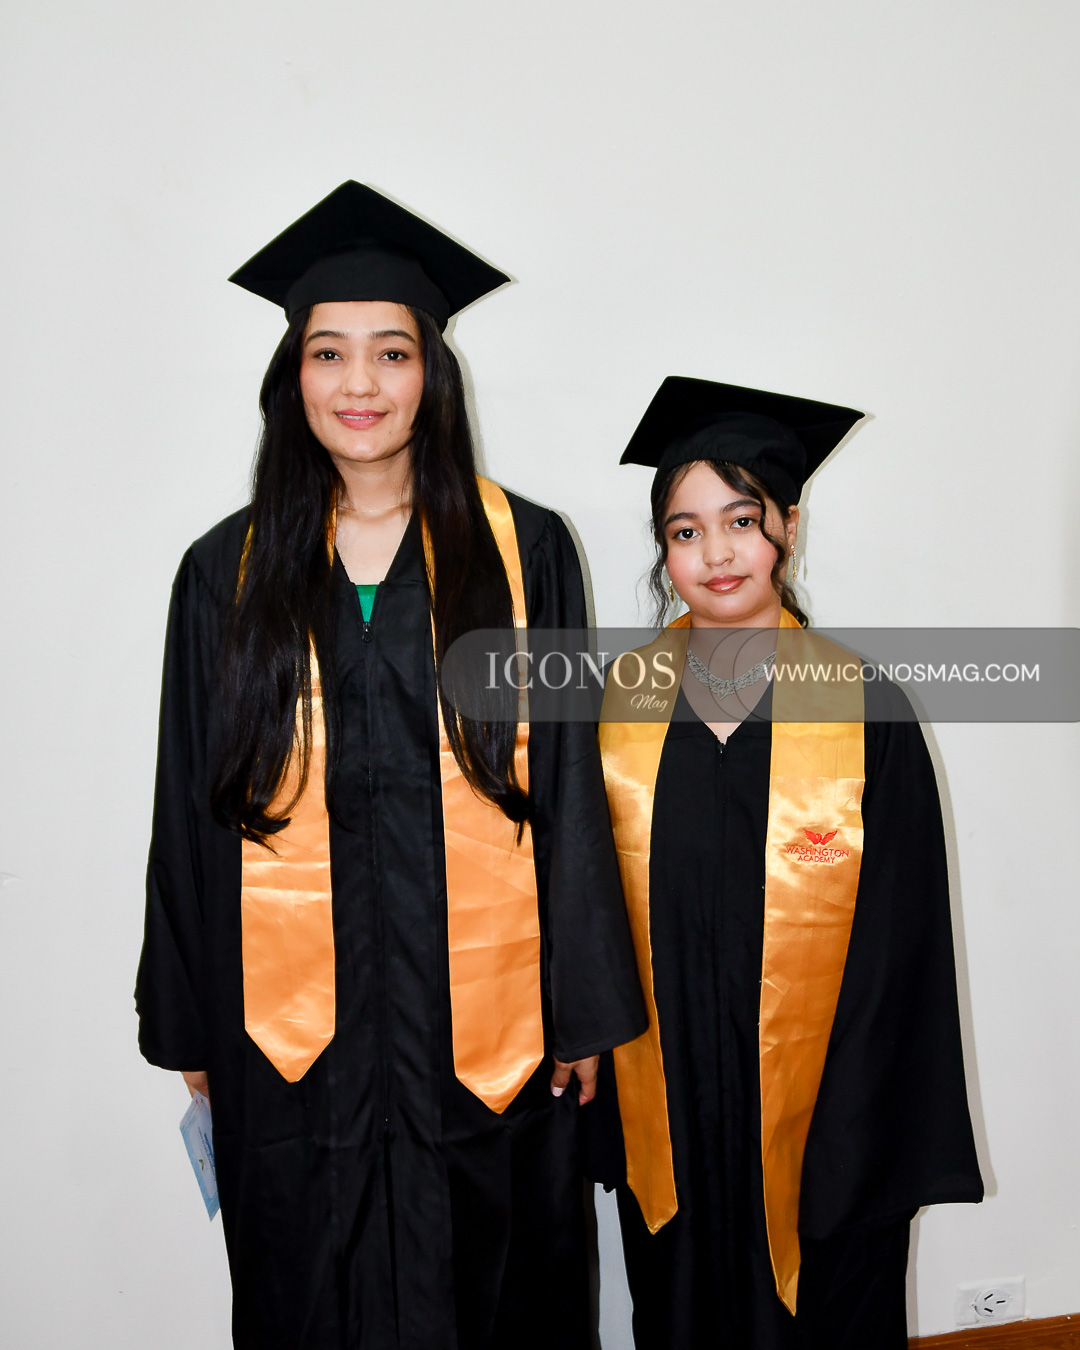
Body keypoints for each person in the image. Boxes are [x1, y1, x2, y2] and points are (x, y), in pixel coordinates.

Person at [135, 182, 645, 1350]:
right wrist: (191, 1022)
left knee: (498, 1291)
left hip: (484, 1041)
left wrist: (581, 1007)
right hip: (291, 1047)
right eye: (329, 352)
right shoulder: (225, 573)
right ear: (293, 377)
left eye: (392, 352)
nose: (359, 383)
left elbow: (569, 784)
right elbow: (186, 805)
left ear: (433, 376)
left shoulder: (525, 554)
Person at [591, 377, 983, 1348]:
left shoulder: (866, 710)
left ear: (788, 529)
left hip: (826, 1112)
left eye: (741, 520)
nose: (716, 553)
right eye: (685, 531)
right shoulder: (615, 709)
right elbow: (584, 904)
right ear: (664, 552)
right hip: (671, 1096)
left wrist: (856, 1116)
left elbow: (901, 946)